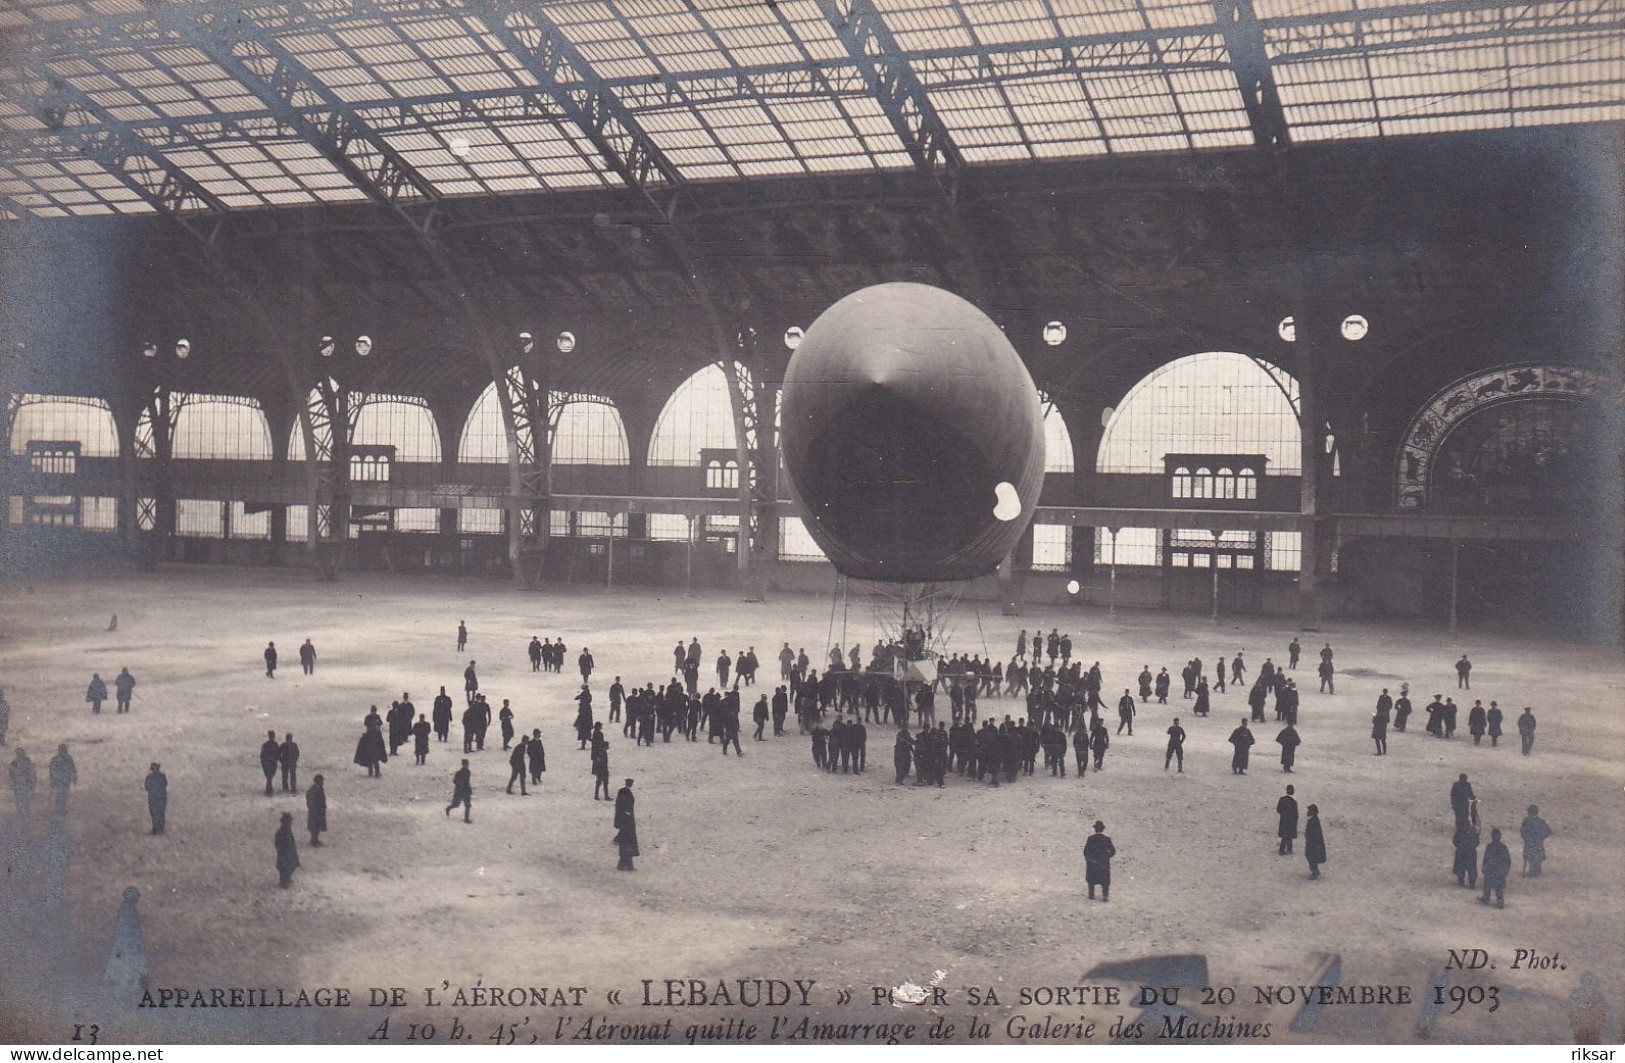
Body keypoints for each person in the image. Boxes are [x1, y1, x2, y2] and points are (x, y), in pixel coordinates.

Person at [1082, 820, 1115, 901]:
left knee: (1092, 880)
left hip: (1093, 864)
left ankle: (1091, 895)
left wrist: (1089, 860)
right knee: (1104, 881)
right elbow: (1113, 851)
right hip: (1104, 864)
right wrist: (1107, 857)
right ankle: (1105, 896)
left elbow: (1086, 852)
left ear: (1095, 829)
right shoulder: (1106, 839)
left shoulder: (1090, 839)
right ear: (1102, 829)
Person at [1480, 828, 1511, 907]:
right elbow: (1507, 860)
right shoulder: (1502, 847)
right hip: (1496, 870)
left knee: (1492, 886)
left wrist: (1484, 866)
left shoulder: (1491, 846)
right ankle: (1496, 899)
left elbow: (1486, 858)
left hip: (1493, 870)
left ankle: (1489, 898)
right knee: (1496, 886)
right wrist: (1505, 869)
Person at [614, 778, 638, 871]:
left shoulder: (623, 791)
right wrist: (627, 813)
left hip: (626, 820)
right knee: (628, 842)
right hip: (626, 821)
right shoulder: (624, 792)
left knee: (627, 842)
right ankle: (626, 865)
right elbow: (622, 806)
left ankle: (626, 865)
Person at [1520, 805, 1551, 876]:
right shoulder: (1540, 821)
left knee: (1531, 859)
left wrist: (1526, 839)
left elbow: (1522, 832)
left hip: (1529, 845)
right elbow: (1548, 831)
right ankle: (1536, 872)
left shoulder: (1526, 821)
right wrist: (1541, 838)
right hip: (1538, 845)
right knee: (1537, 860)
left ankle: (1534, 873)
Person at [48, 743, 77, 815]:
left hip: (64, 780)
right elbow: (52, 771)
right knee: (61, 795)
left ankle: (61, 809)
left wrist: (74, 778)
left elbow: (73, 769)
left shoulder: (66, 759)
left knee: (62, 795)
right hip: (61, 780)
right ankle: (59, 809)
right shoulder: (64, 759)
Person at [1452, 815, 1480, 887]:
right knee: (1469, 868)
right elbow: (1477, 842)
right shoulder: (1471, 833)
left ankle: (1466, 880)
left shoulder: (1461, 833)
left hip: (1464, 853)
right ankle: (1470, 881)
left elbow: (1455, 841)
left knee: (1465, 867)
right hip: (1469, 853)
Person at [275, 811, 300, 887]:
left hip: (290, 853)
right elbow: (277, 843)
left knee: (291, 867)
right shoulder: (281, 832)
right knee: (284, 868)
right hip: (284, 854)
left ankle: (286, 879)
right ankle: (283, 882)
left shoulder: (288, 832)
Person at [9, 748, 36, 820]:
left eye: (22, 753)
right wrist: (13, 785)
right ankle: (20, 815)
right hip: (18, 785)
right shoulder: (14, 763)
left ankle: (27, 814)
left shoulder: (28, 762)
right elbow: (11, 775)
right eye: (19, 753)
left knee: (27, 800)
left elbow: (33, 773)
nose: (21, 754)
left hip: (27, 784)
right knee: (19, 800)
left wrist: (32, 783)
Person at [1303, 804, 1326, 879]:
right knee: (1311, 855)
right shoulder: (1314, 820)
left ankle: (1315, 871)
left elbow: (1313, 833)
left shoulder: (1313, 821)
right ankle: (1314, 870)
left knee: (1311, 855)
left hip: (1313, 842)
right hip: (1313, 842)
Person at [145, 762, 167, 834]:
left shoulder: (149, 777)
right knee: (161, 812)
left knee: (154, 813)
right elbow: (165, 784)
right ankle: (161, 828)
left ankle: (156, 828)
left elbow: (146, 787)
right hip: (162, 797)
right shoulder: (162, 776)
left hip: (153, 797)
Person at [1276, 785, 1299, 855]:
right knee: (1289, 835)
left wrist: (1283, 814)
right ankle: (1286, 849)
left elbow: (1278, 809)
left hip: (1283, 820)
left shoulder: (1282, 799)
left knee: (1285, 835)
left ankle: (1286, 848)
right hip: (1291, 821)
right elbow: (1296, 814)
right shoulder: (1294, 802)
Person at [259, 730, 281, 795]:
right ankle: (269, 789)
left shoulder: (274, 744)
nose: (272, 737)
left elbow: (278, 753)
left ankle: (269, 789)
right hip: (268, 763)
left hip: (272, 762)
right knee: (269, 776)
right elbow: (263, 755)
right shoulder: (266, 745)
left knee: (270, 776)